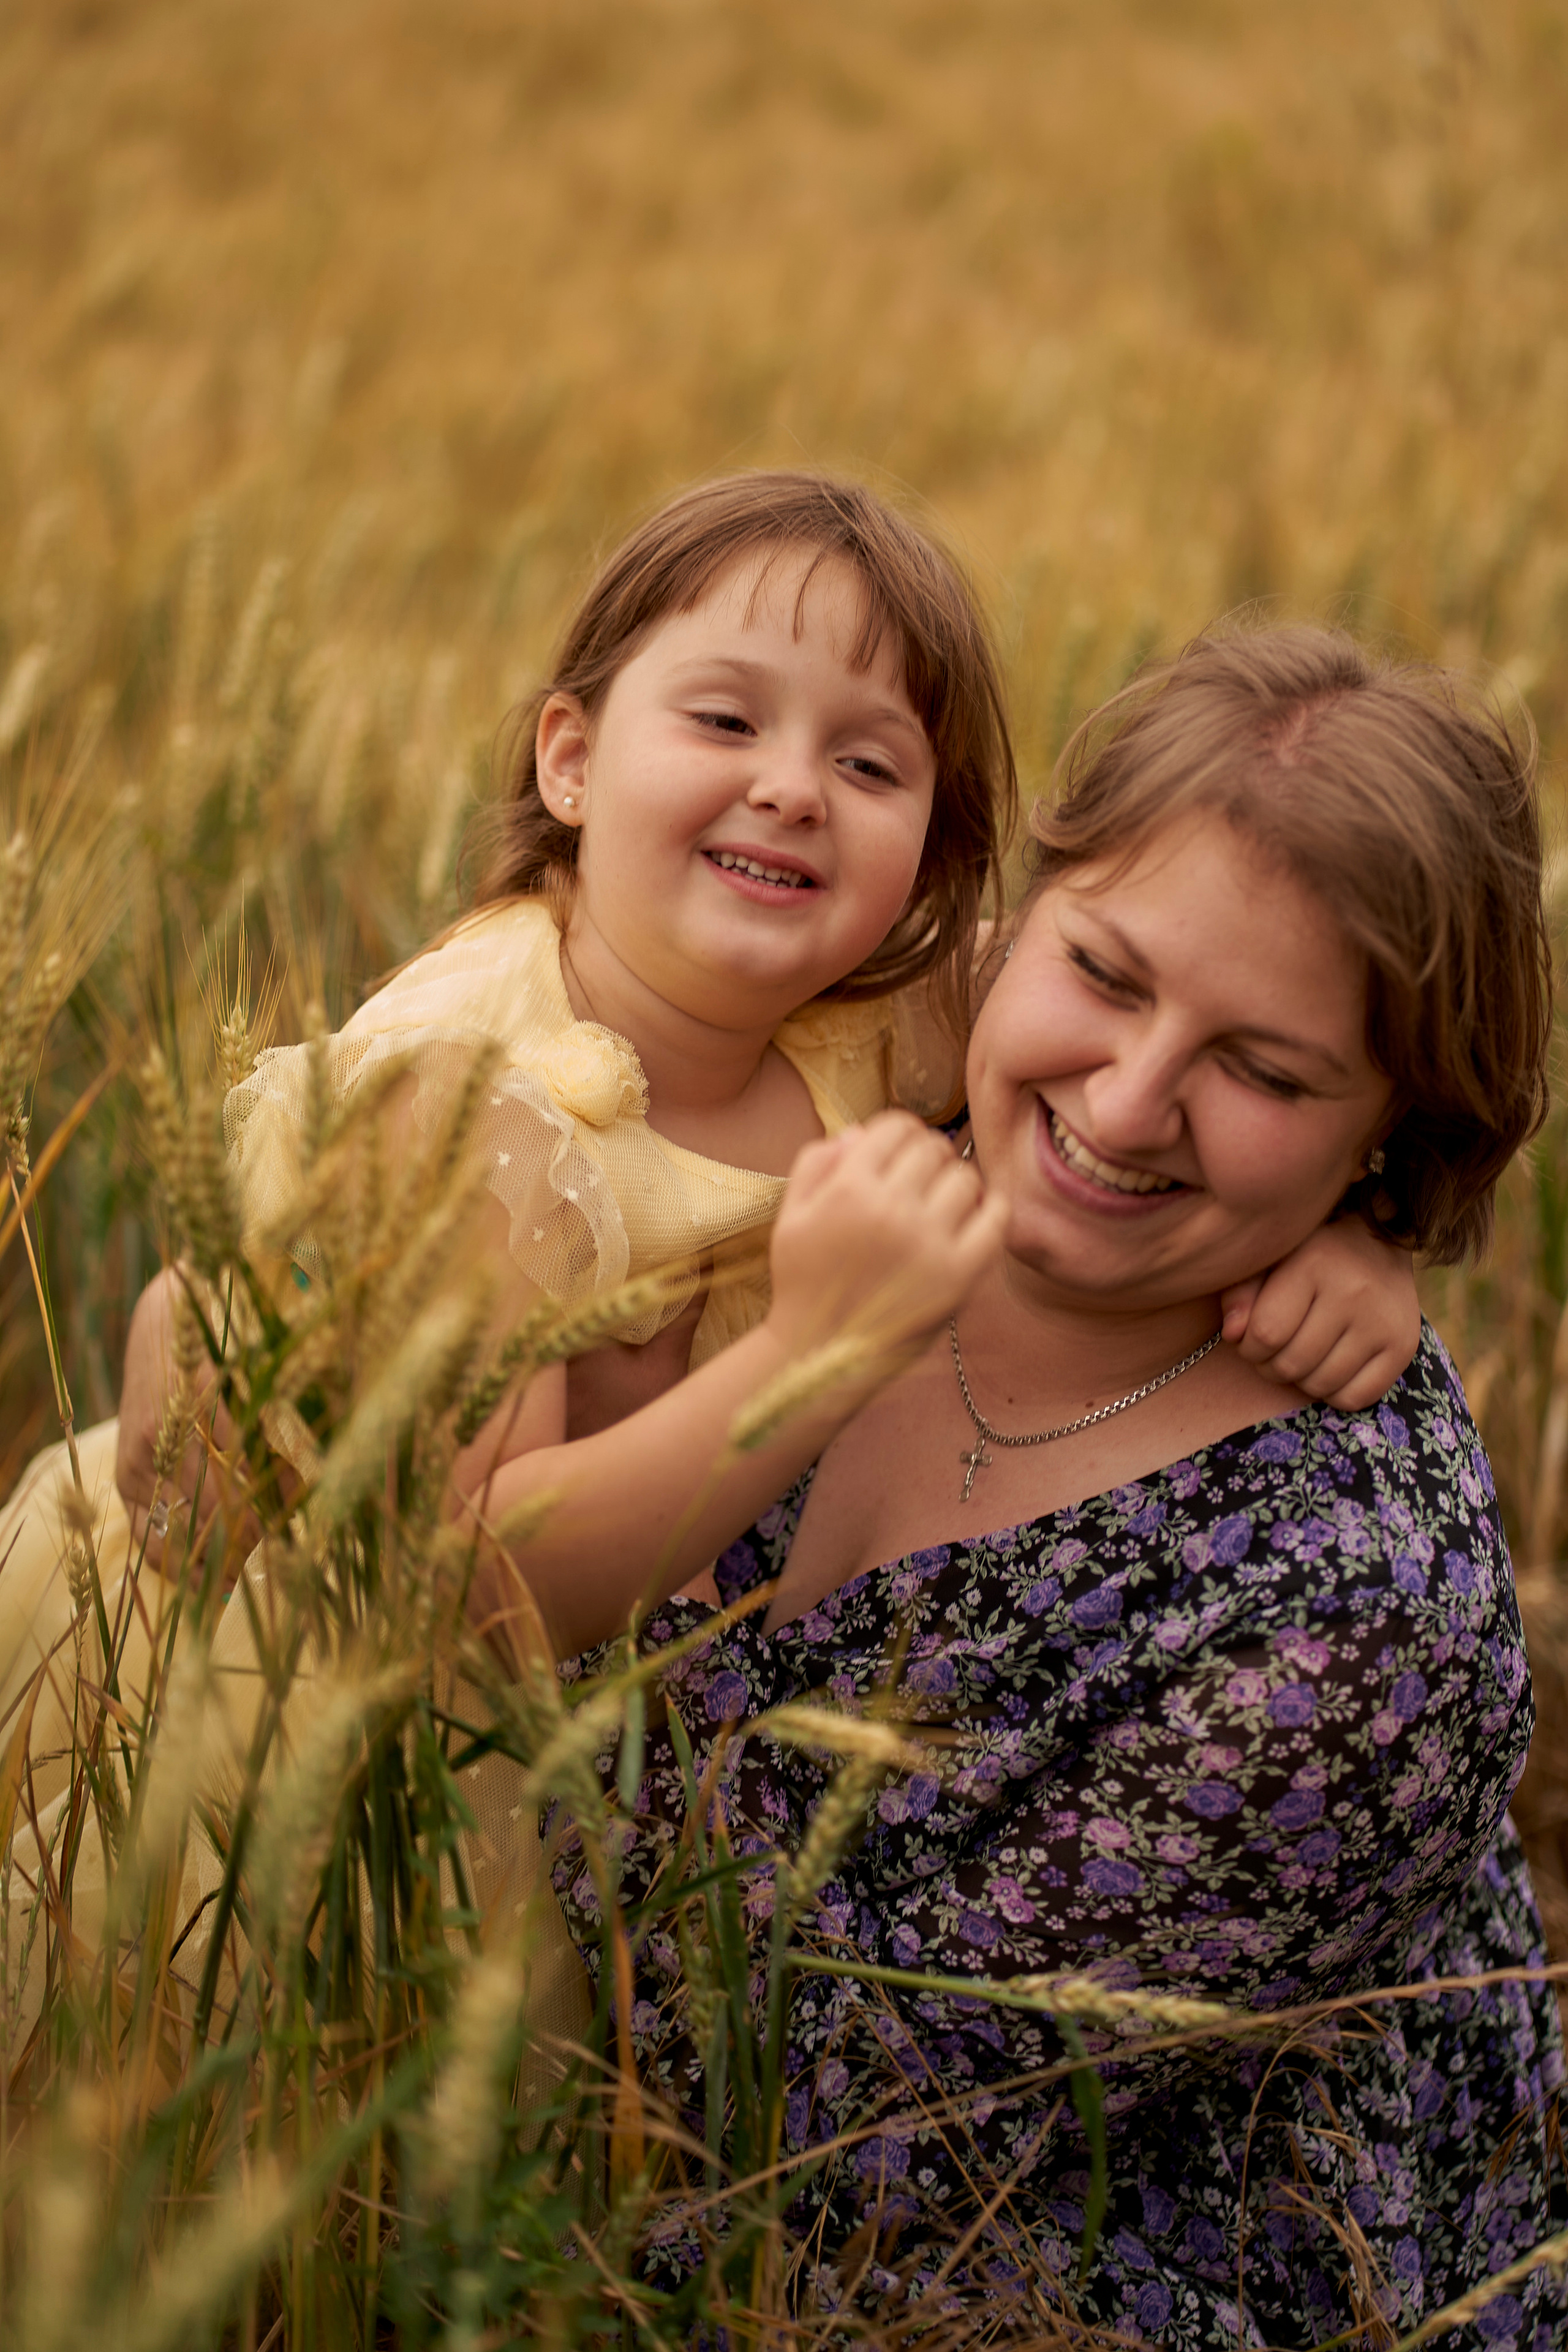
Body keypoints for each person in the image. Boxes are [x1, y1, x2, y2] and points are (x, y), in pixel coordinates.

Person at [551, 624, 1567, 2346]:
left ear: (1382, 1136)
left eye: (1264, 1072)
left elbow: (851, 2153)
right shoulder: (801, 1144)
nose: (1130, 1096)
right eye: (1106, 973)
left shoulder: (1349, 1626)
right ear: (1011, 926)